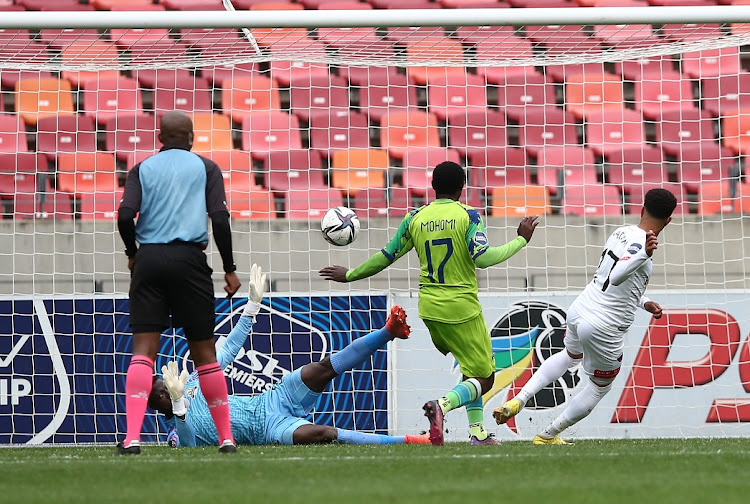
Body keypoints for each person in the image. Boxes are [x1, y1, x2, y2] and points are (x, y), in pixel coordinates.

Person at [320, 161, 539, 446]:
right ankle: (442, 406)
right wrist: (520, 240)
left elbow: (387, 256)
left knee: (470, 368)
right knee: (485, 378)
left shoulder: (415, 217)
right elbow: (483, 258)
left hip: (429, 308)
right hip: (460, 307)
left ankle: (478, 434)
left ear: (433, 188)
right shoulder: (468, 216)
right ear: (463, 188)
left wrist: (350, 274)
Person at [151, 264, 429, 447]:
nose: (168, 390)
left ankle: (388, 331)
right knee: (325, 434)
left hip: (272, 399)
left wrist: (251, 308)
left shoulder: (193, 381)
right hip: (269, 429)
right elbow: (189, 449)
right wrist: (179, 406)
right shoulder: (175, 431)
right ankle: (409, 441)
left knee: (322, 369)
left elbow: (228, 351)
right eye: (162, 394)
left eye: (165, 386)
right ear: (157, 405)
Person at [493, 188, 677, 444]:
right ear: (669, 220)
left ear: (642, 209)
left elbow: (611, 279)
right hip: (604, 324)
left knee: (569, 356)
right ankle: (547, 435)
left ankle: (519, 399)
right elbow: (617, 275)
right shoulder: (643, 247)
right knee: (599, 387)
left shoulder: (622, 232)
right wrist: (644, 254)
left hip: (581, 308)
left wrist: (643, 302)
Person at [116, 111, 241, 454]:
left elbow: (125, 215)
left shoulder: (141, 169)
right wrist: (229, 268)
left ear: (160, 137)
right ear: (190, 137)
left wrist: (132, 252)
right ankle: (226, 438)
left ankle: (132, 439)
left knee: (143, 352)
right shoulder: (207, 168)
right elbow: (220, 219)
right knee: (205, 353)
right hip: (190, 260)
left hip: (150, 259)